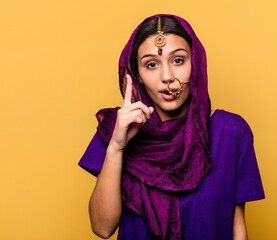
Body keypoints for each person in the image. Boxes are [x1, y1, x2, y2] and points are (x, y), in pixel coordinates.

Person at [78, 14, 265, 240]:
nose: (167, 77)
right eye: (151, 65)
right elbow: (102, 227)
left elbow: (237, 227)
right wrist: (116, 147)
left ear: (195, 63)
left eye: (178, 61)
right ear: (137, 75)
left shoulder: (231, 132)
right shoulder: (117, 129)